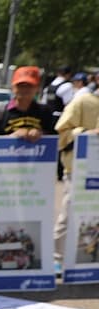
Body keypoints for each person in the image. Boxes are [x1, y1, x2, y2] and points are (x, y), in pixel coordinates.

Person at [53, 86, 99, 252]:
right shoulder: (82, 101)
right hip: (79, 173)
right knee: (68, 217)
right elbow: (61, 133)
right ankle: (58, 257)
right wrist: (87, 133)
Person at [0, 66, 55, 140]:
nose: (25, 89)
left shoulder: (45, 112)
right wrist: (11, 138)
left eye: (29, 86)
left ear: (37, 88)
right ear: (13, 87)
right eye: (20, 86)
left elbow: (55, 138)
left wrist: (41, 134)